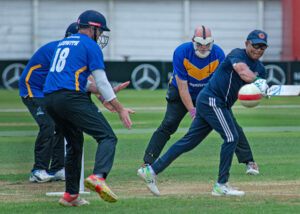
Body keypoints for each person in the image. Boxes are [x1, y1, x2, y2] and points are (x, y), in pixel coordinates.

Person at [138, 29, 269, 196]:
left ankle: (152, 170)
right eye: (255, 45)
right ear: (246, 44)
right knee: (231, 137)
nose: (258, 50)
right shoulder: (237, 54)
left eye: (262, 47)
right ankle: (221, 185)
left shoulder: (261, 69)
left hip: (215, 102)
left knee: (189, 141)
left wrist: (261, 91)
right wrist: (258, 82)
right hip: (213, 100)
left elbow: (247, 91)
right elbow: (243, 71)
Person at [43, 10, 134, 206]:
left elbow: (77, 80)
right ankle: (98, 177)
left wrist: (104, 96)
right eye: (100, 31)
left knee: (74, 144)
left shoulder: (63, 43)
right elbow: (101, 80)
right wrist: (119, 108)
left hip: (50, 99)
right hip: (71, 98)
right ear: (93, 28)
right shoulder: (89, 45)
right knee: (107, 136)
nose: (100, 36)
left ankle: (70, 195)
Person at [19, 22, 79, 183]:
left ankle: (58, 169)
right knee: (48, 125)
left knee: (60, 126)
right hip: (32, 89)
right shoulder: (59, 50)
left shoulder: (73, 52)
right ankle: (38, 170)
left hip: (46, 91)